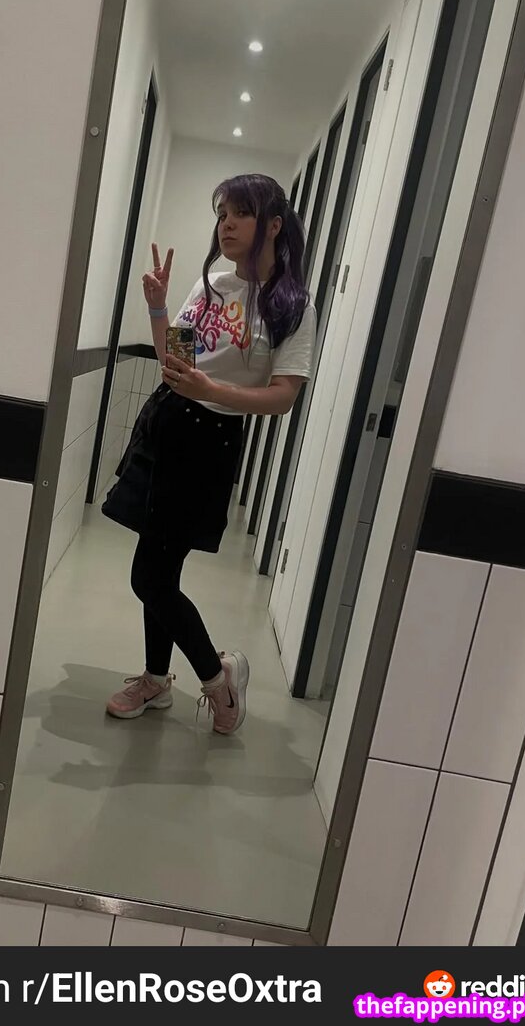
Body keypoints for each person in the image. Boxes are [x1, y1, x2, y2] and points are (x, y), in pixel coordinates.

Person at [101, 173, 316, 734]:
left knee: (149, 577)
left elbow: (283, 396)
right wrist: (157, 308)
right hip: (167, 422)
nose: (227, 224)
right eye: (222, 213)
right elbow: (175, 360)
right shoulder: (210, 285)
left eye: (241, 213)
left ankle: (218, 679)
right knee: (160, 567)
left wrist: (212, 390)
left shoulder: (290, 305)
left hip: (209, 439)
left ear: (273, 224)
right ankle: (155, 679)